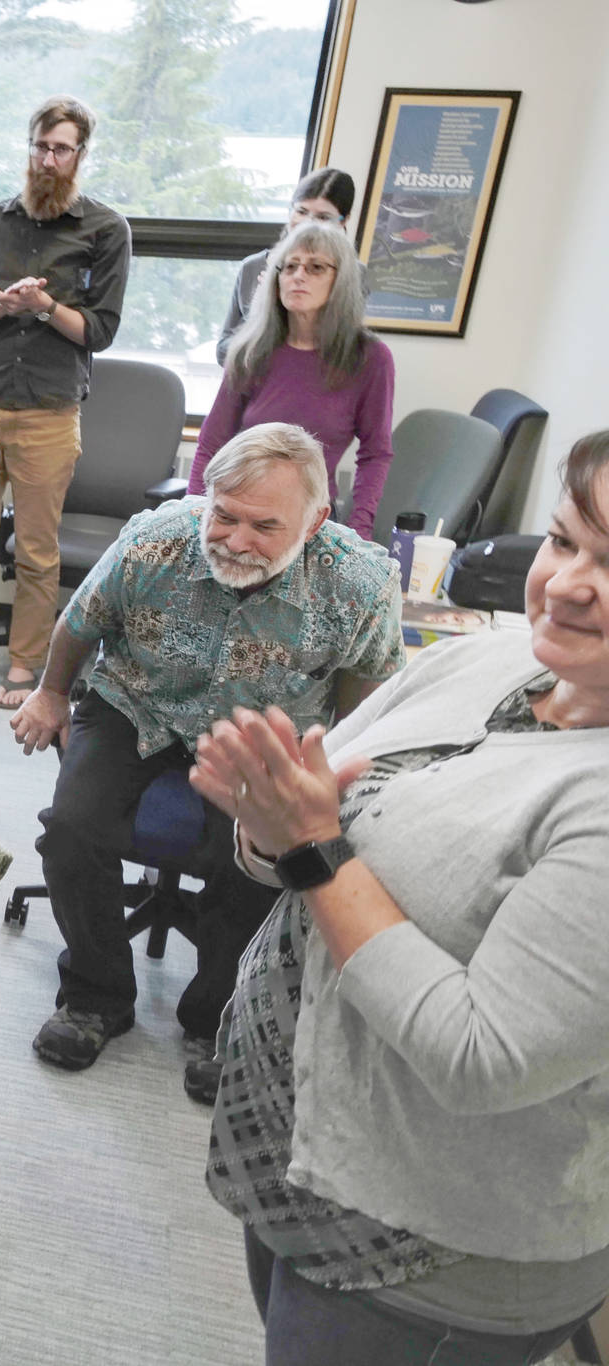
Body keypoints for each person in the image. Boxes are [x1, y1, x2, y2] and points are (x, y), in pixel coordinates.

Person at [189, 430, 609, 1365]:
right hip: (306, 1147)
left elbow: (481, 1057)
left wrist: (310, 850)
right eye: (567, 539)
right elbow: (309, 819)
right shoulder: (498, 659)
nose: (572, 582)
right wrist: (269, 822)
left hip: (431, 1247)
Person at [8, 423, 402, 1099]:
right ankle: (95, 996)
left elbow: (364, 701)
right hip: (137, 703)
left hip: (265, 731)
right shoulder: (154, 540)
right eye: (224, 515)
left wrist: (323, 783)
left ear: (314, 523)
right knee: (72, 827)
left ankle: (217, 1016)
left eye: (263, 526)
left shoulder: (359, 585)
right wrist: (49, 693)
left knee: (253, 859)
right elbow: (80, 621)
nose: (235, 539)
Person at [0, 96, 131, 711]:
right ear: (29, 148)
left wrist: (44, 308)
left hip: (50, 409)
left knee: (38, 551)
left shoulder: (105, 230)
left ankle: (26, 664)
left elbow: (99, 331)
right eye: (41, 147)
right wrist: (1, 307)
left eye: (62, 149)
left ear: (80, 155)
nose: (49, 160)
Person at [187, 222, 395, 538]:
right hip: (241, 511)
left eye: (315, 268)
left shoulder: (369, 358)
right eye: (290, 267)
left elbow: (375, 454)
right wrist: (192, 512)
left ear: (341, 281)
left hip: (313, 520)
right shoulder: (250, 349)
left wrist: (359, 529)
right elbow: (212, 440)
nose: (298, 276)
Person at [216, 167, 357, 365]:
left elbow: (344, 354)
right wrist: (264, 306)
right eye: (301, 211)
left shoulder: (354, 275)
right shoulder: (253, 266)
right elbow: (223, 353)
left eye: (323, 217)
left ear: (345, 220)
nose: (308, 224)